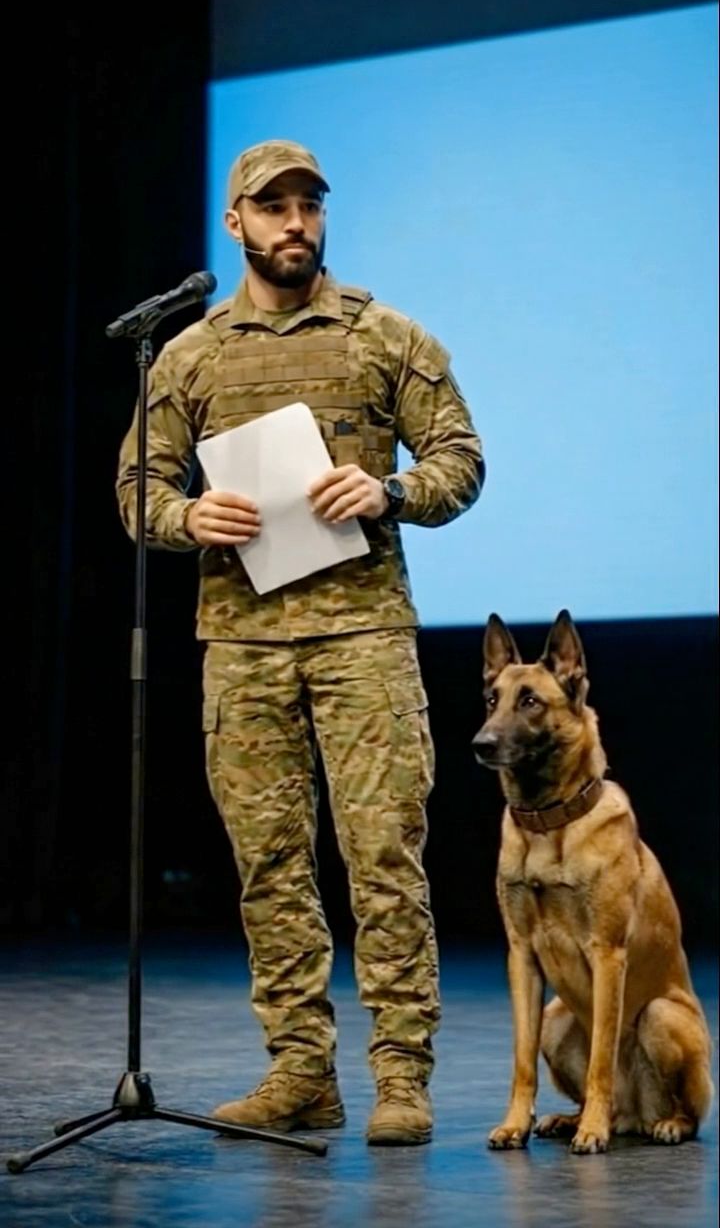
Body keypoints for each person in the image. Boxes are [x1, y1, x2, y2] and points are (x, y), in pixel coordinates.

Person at [115, 139, 484, 1146]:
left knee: (384, 856)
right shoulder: (190, 354)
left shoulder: (382, 336)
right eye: (273, 206)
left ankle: (401, 1077)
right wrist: (186, 516)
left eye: (309, 205)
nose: (295, 222)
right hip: (244, 643)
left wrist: (391, 488)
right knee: (269, 864)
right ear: (235, 222)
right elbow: (138, 485)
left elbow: (460, 458)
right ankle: (300, 1072)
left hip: (363, 633)